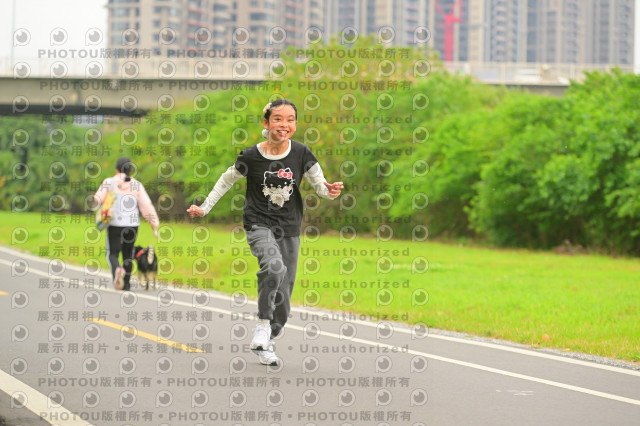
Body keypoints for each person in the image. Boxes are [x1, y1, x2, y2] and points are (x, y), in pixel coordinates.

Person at [187, 99, 343, 365]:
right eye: (278, 119)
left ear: (295, 124)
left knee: (284, 299)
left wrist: (329, 191)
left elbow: (321, 186)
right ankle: (262, 323)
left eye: (290, 119)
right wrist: (205, 208)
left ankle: (267, 338)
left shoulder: (302, 152)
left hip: (290, 227)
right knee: (273, 266)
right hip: (258, 223)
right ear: (266, 123)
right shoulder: (251, 156)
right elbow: (226, 181)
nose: (284, 124)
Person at [93, 157, 159, 291]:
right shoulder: (137, 185)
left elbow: (98, 199)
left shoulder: (109, 182)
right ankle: (126, 285)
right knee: (128, 254)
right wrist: (154, 224)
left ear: (116, 169)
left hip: (114, 224)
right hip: (132, 225)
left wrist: (100, 204)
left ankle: (117, 271)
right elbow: (146, 206)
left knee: (113, 254)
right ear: (131, 170)